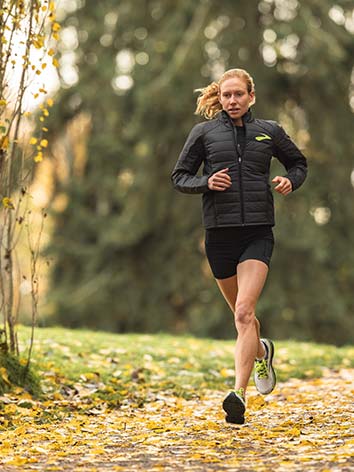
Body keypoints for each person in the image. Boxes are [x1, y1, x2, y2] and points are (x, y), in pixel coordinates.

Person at [171, 68, 307, 424]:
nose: (233, 101)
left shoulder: (269, 131)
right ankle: (262, 351)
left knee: (245, 312)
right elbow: (179, 176)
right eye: (227, 95)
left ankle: (238, 394)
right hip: (219, 235)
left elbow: (298, 163)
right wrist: (205, 182)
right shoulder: (203, 133)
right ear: (221, 97)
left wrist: (290, 180)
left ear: (251, 97)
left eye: (238, 95)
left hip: (257, 233)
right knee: (242, 318)